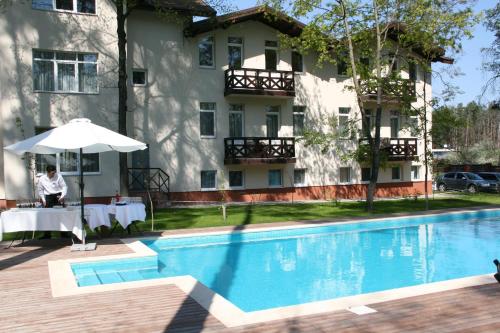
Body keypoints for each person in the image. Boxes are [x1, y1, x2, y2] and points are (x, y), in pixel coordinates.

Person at [37, 165, 68, 239]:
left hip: (58, 196)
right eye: (52, 173)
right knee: (47, 216)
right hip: (48, 197)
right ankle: (47, 234)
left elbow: (64, 186)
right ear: (47, 172)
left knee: (61, 216)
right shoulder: (42, 179)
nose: (53, 174)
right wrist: (43, 199)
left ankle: (64, 234)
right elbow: (40, 190)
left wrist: (62, 196)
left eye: (54, 173)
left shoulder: (59, 177)